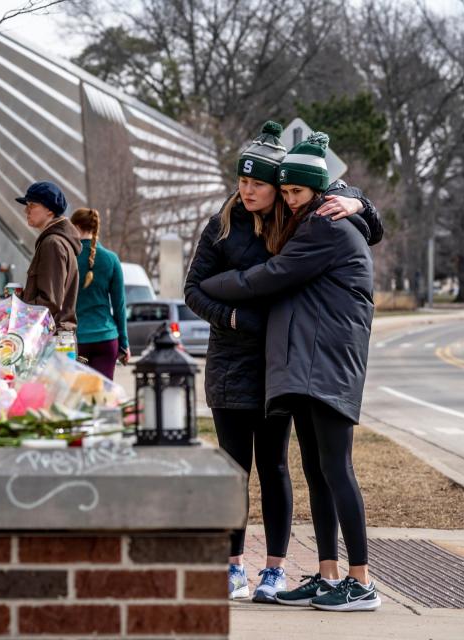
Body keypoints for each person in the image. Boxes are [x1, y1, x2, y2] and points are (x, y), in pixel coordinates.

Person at [184, 121, 382, 602]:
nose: (249, 191)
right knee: (252, 467)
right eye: (243, 181)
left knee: (283, 466)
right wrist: (230, 317)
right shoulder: (225, 223)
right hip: (244, 362)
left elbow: (275, 274)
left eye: (263, 185)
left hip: (293, 365)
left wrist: (359, 201)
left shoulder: (309, 221)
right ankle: (256, 567)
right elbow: (193, 290)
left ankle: (300, 573)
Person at [69, 208, 130, 379]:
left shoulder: (68, 258)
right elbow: (119, 306)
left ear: (76, 226)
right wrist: (124, 344)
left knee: (76, 397)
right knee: (102, 397)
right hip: (106, 338)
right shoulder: (111, 259)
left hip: (77, 341)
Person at [16, 181, 82, 333]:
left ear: (49, 210)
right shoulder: (55, 241)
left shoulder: (52, 243)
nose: (26, 210)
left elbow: (50, 301)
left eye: (31, 205)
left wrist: (17, 314)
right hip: (56, 337)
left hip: (51, 340)